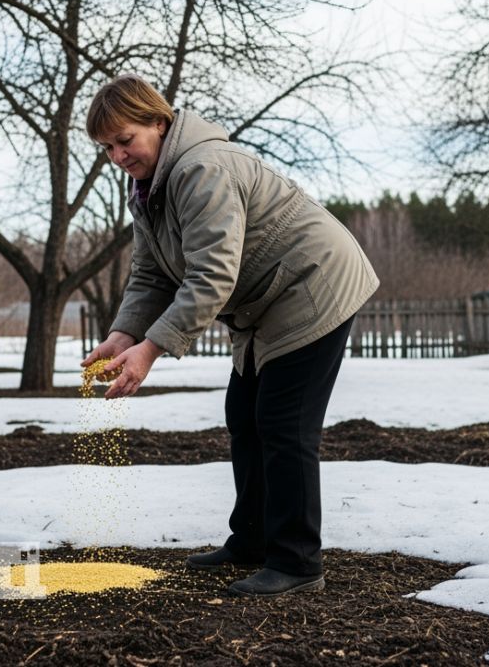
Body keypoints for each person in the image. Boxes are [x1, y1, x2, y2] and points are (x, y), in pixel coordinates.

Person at [80, 74, 378, 597]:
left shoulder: (201, 170)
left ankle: (297, 563)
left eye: (125, 140)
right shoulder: (148, 189)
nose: (118, 156)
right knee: (245, 416)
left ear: (159, 120)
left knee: (284, 425)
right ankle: (254, 540)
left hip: (312, 284)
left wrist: (152, 350)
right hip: (267, 299)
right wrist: (124, 334)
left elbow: (211, 275)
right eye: (107, 148)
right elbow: (151, 274)